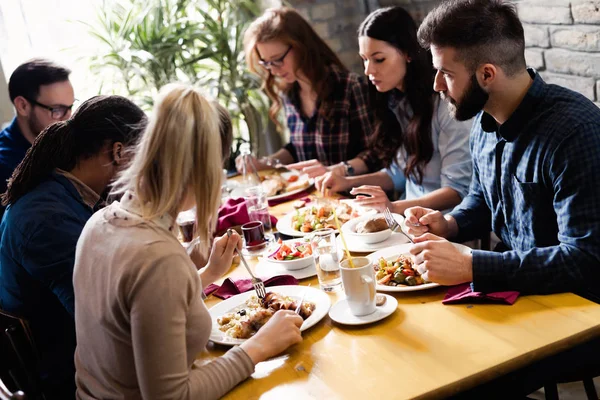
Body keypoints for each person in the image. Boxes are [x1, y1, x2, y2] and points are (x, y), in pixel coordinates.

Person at [73, 84, 304, 399]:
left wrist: (207, 274)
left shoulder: (101, 222)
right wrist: (257, 347)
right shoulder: (158, 259)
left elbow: (141, 309)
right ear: (205, 170)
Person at [403, 0, 600, 300]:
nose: (436, 85)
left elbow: (584, 260)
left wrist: (473, 265)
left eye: (446, 73)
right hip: (512, 295)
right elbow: (483, 199)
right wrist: (449, 224)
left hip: (572, 311)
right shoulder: (483, 121)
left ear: (487, 75)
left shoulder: (575, 133)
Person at [0, 95, 146, 399]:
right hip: (71, 373)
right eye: (143, 155)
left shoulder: (64, 193)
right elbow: (101, 320)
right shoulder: (47, 220)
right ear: (118, 152)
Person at [316, 7, 472, 215]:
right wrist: (345, 182)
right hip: (407, 220)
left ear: (407, 53)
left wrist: (393, 207)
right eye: (364, 59)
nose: (368, 70)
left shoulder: (445, 106)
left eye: (378, 59)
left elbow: (457, 191)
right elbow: (397, 175)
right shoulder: (401, 101)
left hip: (445, 226)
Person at [238, 7, 374, 178]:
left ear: (301, 46)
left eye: (278, 59)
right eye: (266, 63)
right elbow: (297, 148)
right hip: (314, 200)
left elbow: (377, 153)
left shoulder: (350, 88)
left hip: (354, 197)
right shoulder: (289, 94)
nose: (273, 70)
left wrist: (337, 170)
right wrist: (262, 163)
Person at [0, 59, 74, 218]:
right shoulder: (5, 168)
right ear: (23, 106)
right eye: (57, 110)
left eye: (70, 107)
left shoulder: (65, 140)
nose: (68, 119)